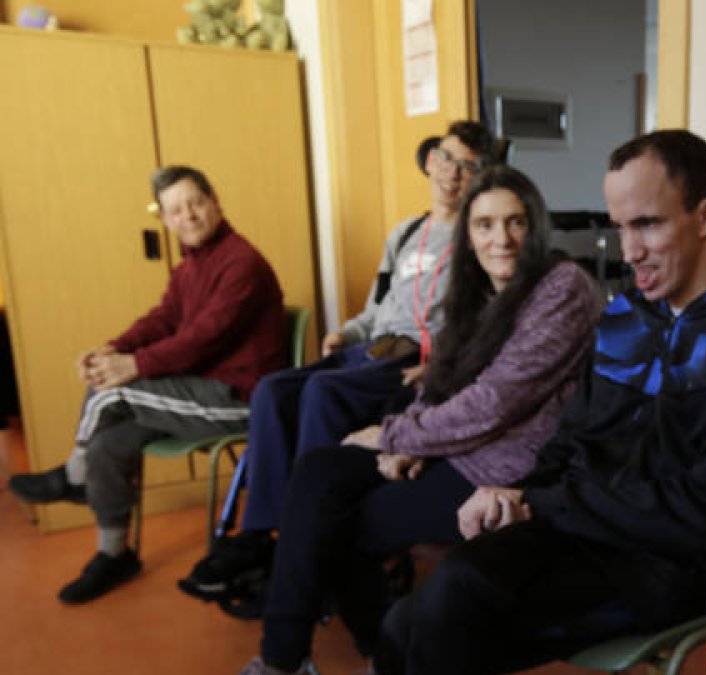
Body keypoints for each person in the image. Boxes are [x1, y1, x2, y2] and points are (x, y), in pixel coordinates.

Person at [372, 129, 706, 675]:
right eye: (619, 227)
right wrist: (515, 496)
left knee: (455, 596)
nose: (628, 251)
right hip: (575, 532)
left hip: (664, 564)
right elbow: (569, 439)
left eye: (647, 224)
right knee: (404, 624)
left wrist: (547, 505)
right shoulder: (625, 319)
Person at [238, 165, 599, 675]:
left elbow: (496, 402)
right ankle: (287, 658)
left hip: (503, 468)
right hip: (451, 446)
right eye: (485, 225)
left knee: (344, 521)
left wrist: (395, 434)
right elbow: (439, 384)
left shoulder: (563, 287)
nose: (502, 239)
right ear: (469, 236)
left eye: (516, 223)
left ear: (536, 227)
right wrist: (406, 440)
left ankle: (379, 655)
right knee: (319, 472)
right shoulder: (475, 294)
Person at [182, 121, 494, 594]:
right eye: (448, 159)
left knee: (322, 392)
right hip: (369, 348)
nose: (454, 174)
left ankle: (304, 541)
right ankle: (256, 533)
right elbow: (376, 307)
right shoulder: (406, 233)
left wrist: (444, 363)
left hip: (413, 359)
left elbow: (484, 321)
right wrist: (345, 332)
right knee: (273, 389)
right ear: (431, 160)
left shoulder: (479, 240)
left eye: (469, 168)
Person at [8, 165, 285, 604]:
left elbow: (201, 339)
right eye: (176, 211)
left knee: (113, 388)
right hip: (196, 393)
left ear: (216, 202)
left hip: (239, 400)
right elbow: (163, 321)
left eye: (195, 203)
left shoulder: (242, 262)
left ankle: (74, 477)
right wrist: (112, 350)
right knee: (108, 441)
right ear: (166, 221)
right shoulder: (191, 265)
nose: (189, 216)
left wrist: (131, 366)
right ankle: (113, 554)